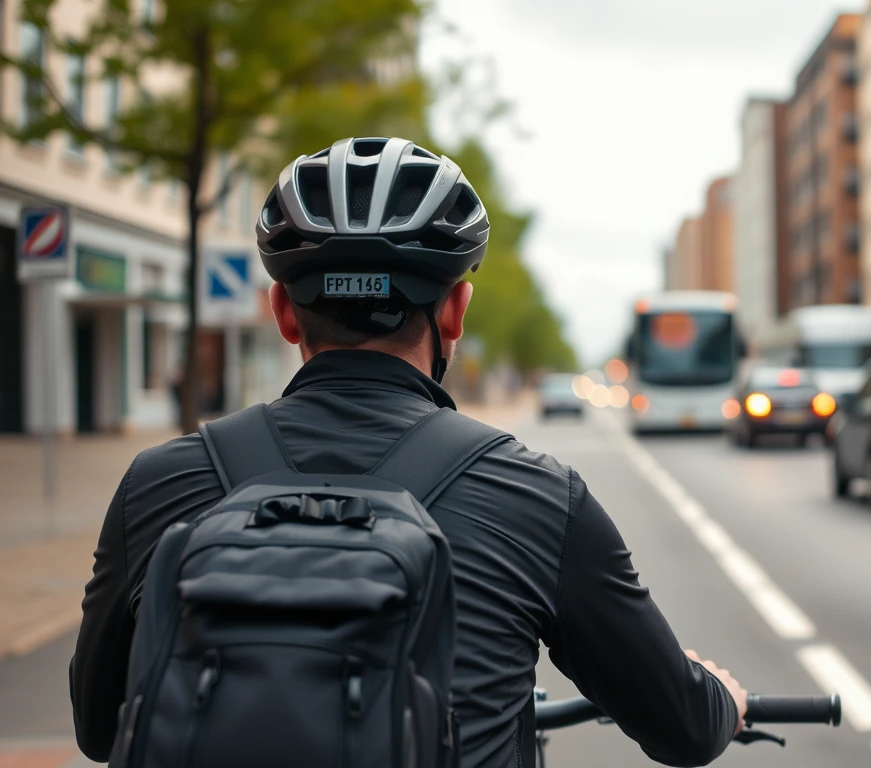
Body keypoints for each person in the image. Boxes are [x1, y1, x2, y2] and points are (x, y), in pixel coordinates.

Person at [70, 137, 746, 768]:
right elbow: (681, 726)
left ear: (282, 311)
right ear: (455, 312)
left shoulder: (160, 481)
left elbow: (99, 726)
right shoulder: (538, 497)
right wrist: (723, 698)